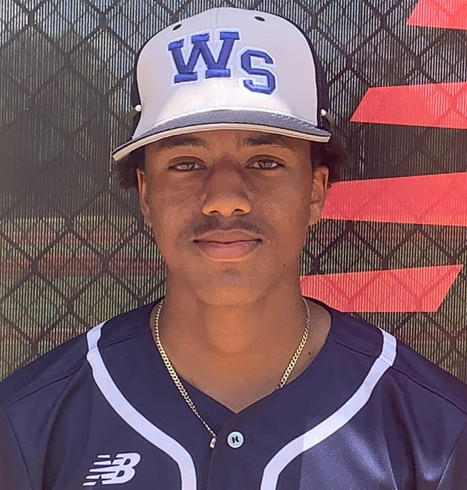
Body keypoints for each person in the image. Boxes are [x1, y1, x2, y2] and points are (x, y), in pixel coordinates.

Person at [0, 7, 466, 490]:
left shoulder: (436, 435)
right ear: (146, 194)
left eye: (264, 161)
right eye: (186, 163)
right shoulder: (29, 425)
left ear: (315, 190)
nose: (225, 199)